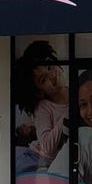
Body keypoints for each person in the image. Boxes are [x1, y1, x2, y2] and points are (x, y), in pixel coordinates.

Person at [14, 41, 69, 169]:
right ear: (39, 92)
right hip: (36, 160)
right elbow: (47, 148)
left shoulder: (80, 93)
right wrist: (69, 112)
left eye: (50, 67)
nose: (52, 76)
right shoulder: (44, 107)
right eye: (43, 80)